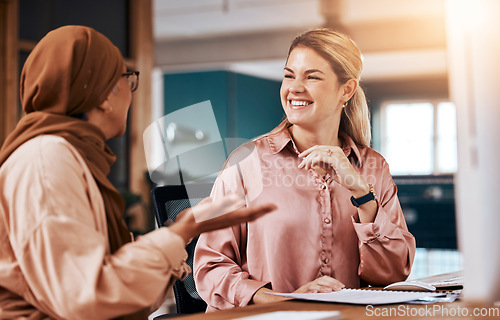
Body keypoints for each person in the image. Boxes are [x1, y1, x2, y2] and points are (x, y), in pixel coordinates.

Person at [0, 25, 275, 320]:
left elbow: (126, 297)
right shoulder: (47, 160)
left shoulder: (70, 156)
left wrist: (177, 236)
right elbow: (86, 299)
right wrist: (181, 232)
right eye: (128, 79)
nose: (132, 93)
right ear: (104, 95)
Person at [193, 28, 416, 311]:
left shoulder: (373, 167)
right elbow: (209, 267)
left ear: (346, 90)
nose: (295, 88)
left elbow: (395, 273)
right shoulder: (246, 163)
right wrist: (281, 300)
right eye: (289, 75)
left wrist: (361, 192)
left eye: (311, 77)